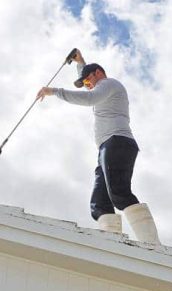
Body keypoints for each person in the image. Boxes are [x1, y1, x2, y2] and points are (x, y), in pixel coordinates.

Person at [36, 49, 160, 245]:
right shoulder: (99, 86)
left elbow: (89, 98)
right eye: (84, 84)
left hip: (117, 142)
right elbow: (88, 84)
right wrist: (80, 62)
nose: (87, 86)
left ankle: (153, 246)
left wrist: (54, 91)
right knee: (100, 203)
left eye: (88, 81)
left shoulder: (108, 84)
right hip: (106, 148)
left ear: (99, 74)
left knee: (119, 193)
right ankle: (113, 245)